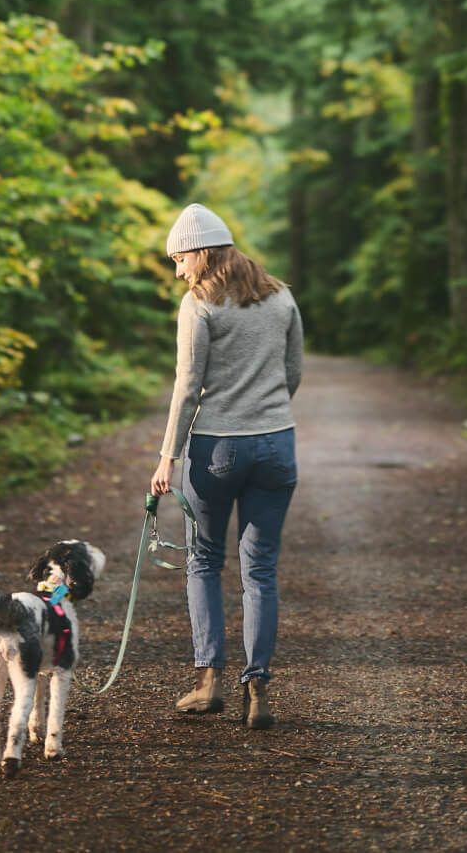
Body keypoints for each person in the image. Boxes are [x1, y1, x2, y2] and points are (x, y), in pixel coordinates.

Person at [150, 203, 303, 730]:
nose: (177, 272)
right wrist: (268, 410)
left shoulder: (199, 305)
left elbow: (188, 387)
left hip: (218, 449)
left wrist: (167, 456)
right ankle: (257, 689)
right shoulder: (281, 296)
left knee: (205, 561)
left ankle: (208, 682)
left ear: (201, 252)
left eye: (179, 259)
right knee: (260, 568)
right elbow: (293, 371)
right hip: (277, 445)